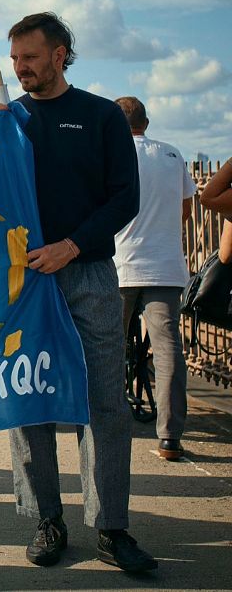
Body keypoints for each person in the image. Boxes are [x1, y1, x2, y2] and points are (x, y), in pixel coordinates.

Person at [4, 12, 155, 572]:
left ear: (61, 54)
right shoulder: (8, 120)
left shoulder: (100, 117)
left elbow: (124, 198)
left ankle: (112, 528)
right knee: (29, 402)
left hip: (88, 272)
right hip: (22, 280)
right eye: (15, 58)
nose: (21, 68)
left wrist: (72, 245)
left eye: (31, 57)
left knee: (105, 404)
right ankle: (47, 519)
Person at [112, 95, 195, 462]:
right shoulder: (172, 155)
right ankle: (170, 437)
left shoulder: (112, 154)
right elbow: (186, 212)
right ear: (146, 121)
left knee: (108, 348)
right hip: (165, 266)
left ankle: (107, 426)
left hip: (121, 265)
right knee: (167, 349)